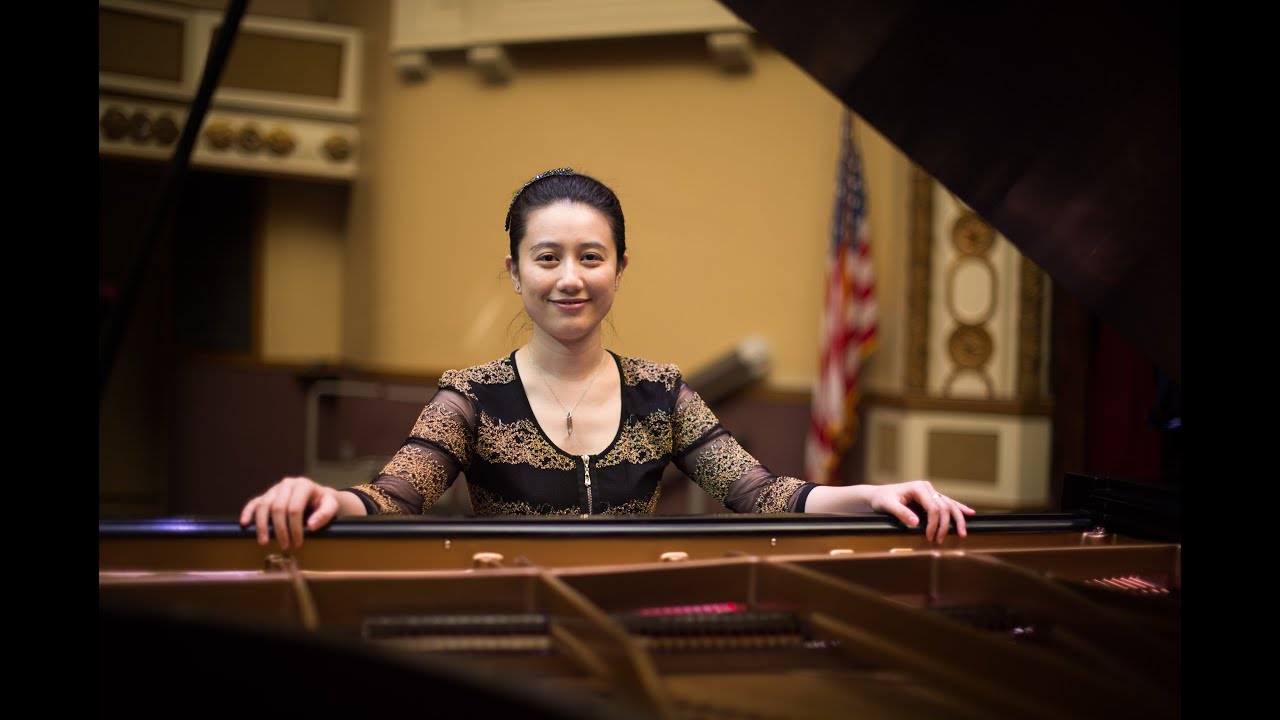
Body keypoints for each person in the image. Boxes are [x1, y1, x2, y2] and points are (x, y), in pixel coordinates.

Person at [240, 168, 975, 550]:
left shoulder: (664, 393)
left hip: (638, 621)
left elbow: (766, 495)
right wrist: (323, 499)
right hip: (510, 625)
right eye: (547, 257)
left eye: (591, 257)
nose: (570, 278)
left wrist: (875, 494)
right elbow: (392, 499)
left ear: (620, 267)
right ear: (515, 269)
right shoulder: (469, 396)